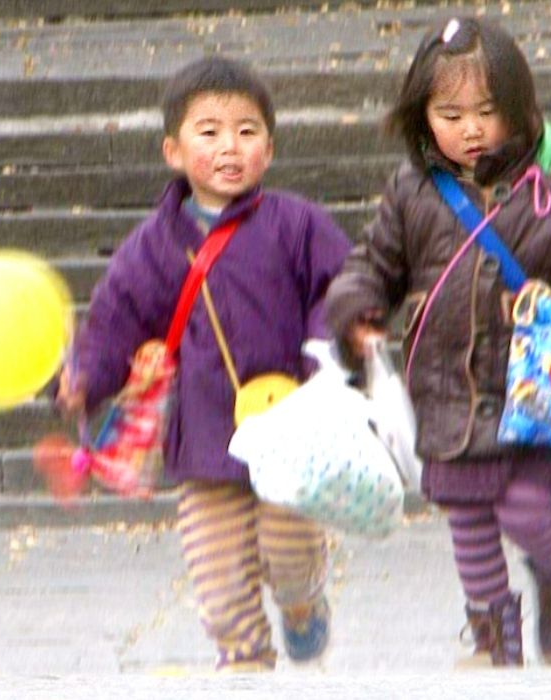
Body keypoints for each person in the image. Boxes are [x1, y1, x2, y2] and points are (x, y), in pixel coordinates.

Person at [325, 16, 551, 667]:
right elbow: (372, 264)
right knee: (467, 517)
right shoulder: (412, 190)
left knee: (527, 506)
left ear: (521, 109)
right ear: (423, 114)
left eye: (487, 111)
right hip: (447, 386)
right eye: (450, 113)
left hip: (533, 389)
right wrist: (356, 308)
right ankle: (494, 633)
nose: (470, 128)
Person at [56, 55, 352, 672]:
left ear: (268, 151)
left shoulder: (297, 225)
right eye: (209, 131)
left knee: (288, 549)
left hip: (292, 431)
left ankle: (302, 602)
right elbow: (115, 320)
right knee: (219, 588)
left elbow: (342, 289)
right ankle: (245, 663)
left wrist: (329, 353)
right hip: (206, 440)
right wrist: (85, 378)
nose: (229, 147)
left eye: (247, 132)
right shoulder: (153, 246)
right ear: (173, 149)